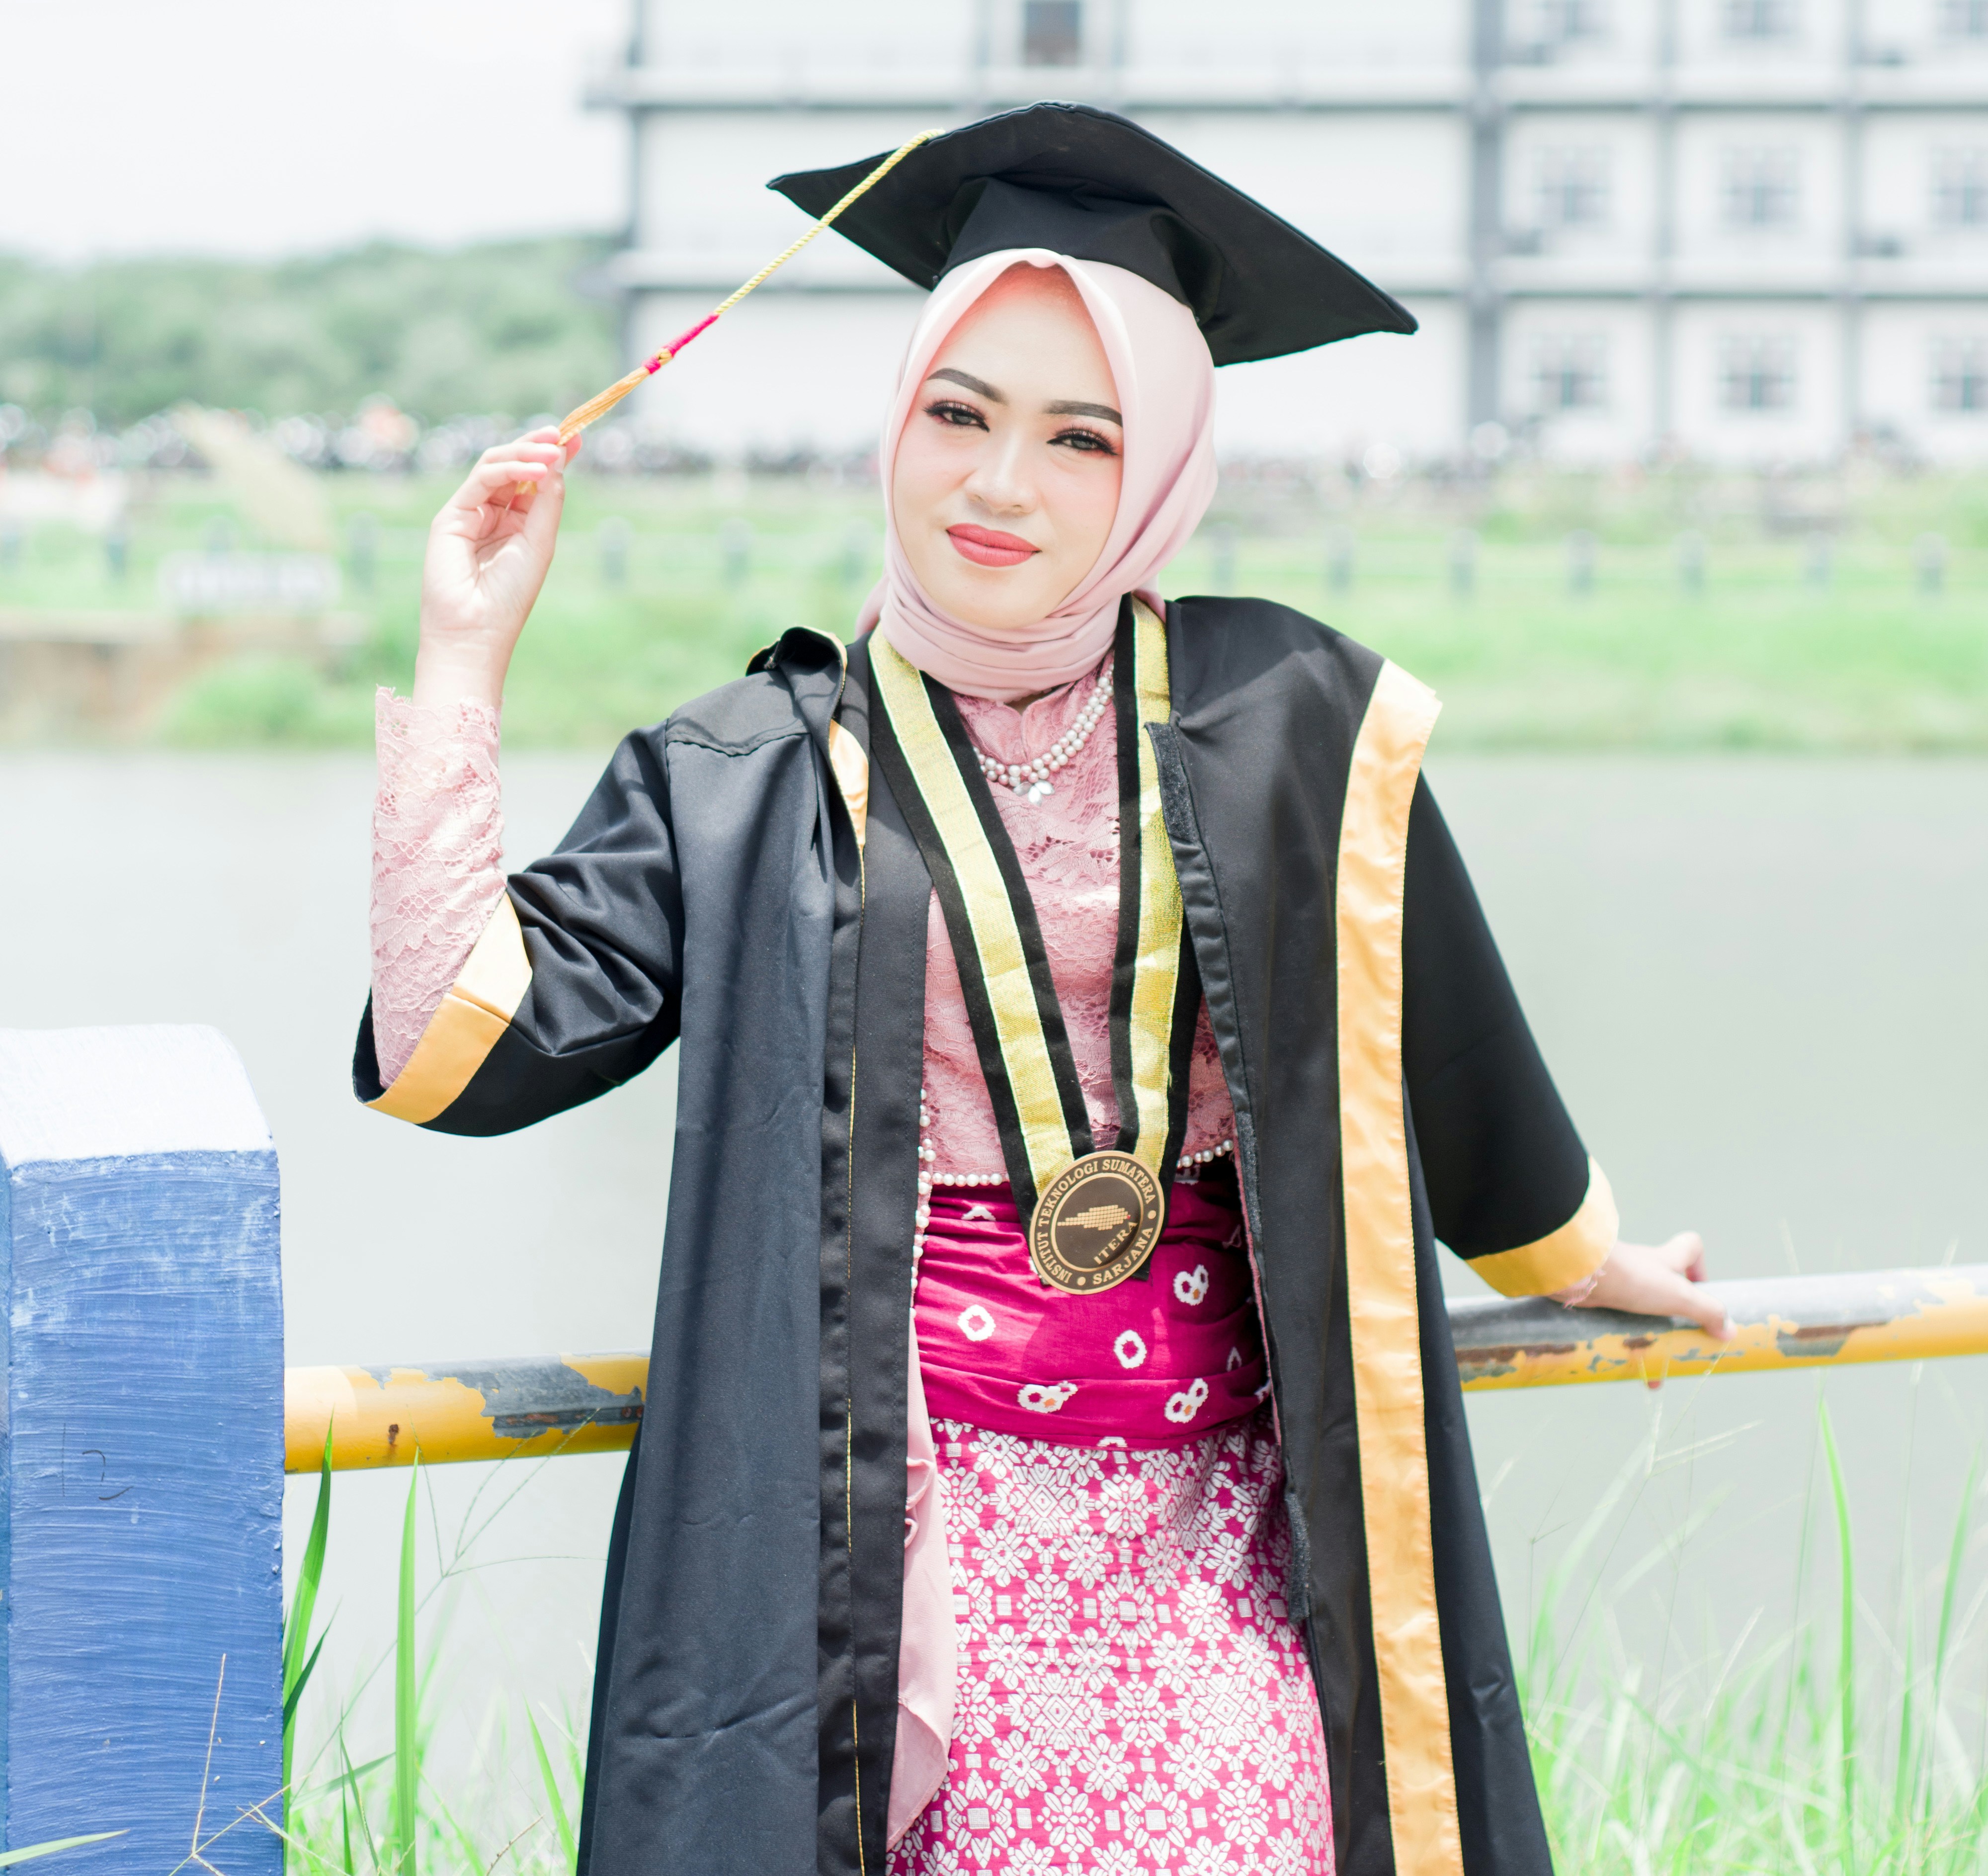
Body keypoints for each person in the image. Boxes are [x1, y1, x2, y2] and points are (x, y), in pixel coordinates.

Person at [357, 102, 1727, 1876]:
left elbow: (1445, 1055)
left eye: (1081, 438)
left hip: (1233, 1521)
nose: (1001, 487)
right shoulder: (754, 770)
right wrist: (464, 658)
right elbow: (458, 1048)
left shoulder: (1296, 723)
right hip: (901, 1541)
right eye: (959, 413)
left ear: (1157, 469)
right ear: (897, 420)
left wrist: (1578, 1258)